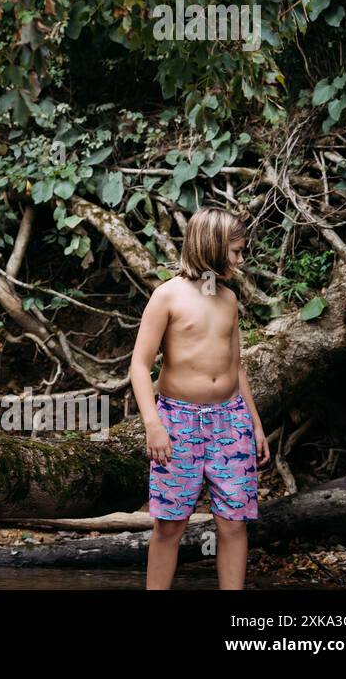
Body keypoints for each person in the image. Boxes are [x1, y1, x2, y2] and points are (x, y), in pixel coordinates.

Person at [128, 206, 270, 589]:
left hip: (231, 418)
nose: (241, 260)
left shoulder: (228, 300)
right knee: (171, 523)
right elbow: (139, 366)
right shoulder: (167, 297)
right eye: (236, 251)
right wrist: (153, 425)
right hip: (178, 422)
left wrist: (255, 425)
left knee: (233, 521)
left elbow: (236, 367)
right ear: (212, 247)